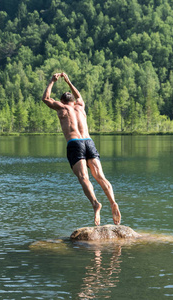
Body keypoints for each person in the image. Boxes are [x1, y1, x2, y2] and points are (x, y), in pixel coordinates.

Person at [42, 72, 121, 226]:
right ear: (73, 99)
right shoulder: (81, 106)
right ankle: (113, 202)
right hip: (89, 142)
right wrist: (69, 80)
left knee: (84, 178)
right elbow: (79, 95)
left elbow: (45, 98)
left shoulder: (62, 107)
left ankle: (95, 204)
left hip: (75, 143)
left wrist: (52, 81)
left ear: (62, 100)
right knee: (100, 176)